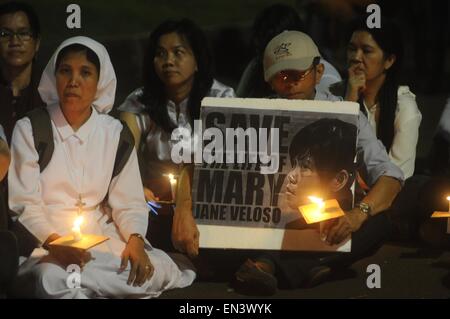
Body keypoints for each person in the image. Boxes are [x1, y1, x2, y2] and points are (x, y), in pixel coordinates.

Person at [8, 36, 195, 299]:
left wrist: (135, 241)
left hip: (99, 235)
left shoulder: (113, 133)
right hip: (46, 240)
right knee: (50, 277)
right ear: (55, 77)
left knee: (156, 269)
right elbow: (24, 203)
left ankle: (86, 288)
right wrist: (56, 244)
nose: (74, 81)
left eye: (85, 73)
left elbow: (128, 202)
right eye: (65, 71)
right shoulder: (31, 128)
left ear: (99, 82)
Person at [233, 31, 403, 296]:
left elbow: (390, 175)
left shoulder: (347, 115)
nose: (288, 84)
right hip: (271, 224)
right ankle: (312, 266)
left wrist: (358, 214)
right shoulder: (256, 111)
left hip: (323, 221)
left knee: (379, 223)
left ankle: (269, 265)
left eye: (296, 74)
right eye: (280, 76)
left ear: (319, 71)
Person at [119, 19, 235, 259]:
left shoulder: (222, 98)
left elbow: (227, 162)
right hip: (157, 203)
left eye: (178, 53)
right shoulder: (139, 102)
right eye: (160, 54)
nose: (168, 61)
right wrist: (134, 187)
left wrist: (186, 205)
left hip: (208, 199)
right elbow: (121, 152)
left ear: (197, 61)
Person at [335, 18, 421, 180]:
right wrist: (350, 99)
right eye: (352, 49)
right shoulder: (333, 95)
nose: (356, 57)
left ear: (389, 60)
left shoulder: (404, 107)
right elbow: (330, 155)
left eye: (366, 51)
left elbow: (398, 175)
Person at [236, 3, 341, 98]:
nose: (290, 83)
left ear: (318, 72)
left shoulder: (328, 77)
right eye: (282, 76)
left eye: (299, 75)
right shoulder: (258, 64)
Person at [0, 1, 44, 142]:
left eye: (24, 33)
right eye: (5, 34)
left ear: (36, 42)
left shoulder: (52, 90)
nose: (15, 41)